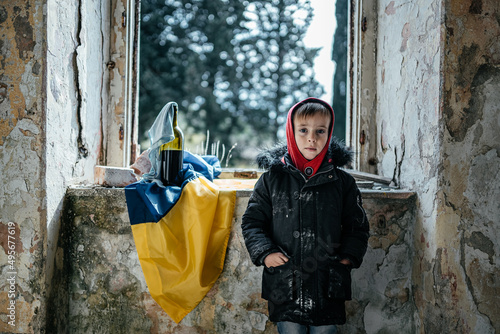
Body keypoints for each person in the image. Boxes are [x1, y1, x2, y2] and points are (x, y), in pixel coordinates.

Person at [241, 97, 369, 334]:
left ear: (329, 134)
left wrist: (346, 260)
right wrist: (266, 253)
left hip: (327, 284)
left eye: (320, 131)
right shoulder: (271, 180)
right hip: (285, 283)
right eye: (303, 130)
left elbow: (357, 227)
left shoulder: (342, 182)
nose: (312, 138)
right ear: (291, 132)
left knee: (325, 331)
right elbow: (252, 223)